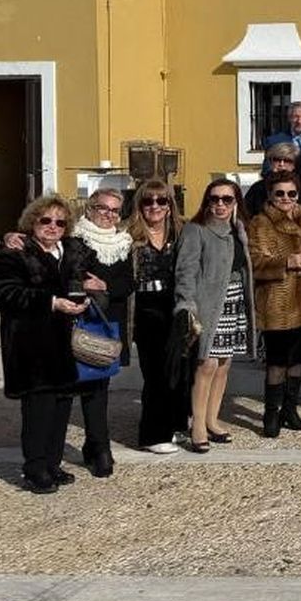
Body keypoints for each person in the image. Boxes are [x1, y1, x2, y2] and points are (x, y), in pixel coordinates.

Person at [0, 194, 108, 492]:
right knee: (38, 410)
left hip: (65, 344)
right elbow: (3, 294)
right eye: (46, 220)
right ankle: (34, 469)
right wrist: (51, 302)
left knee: (61, 408)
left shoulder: (72, 251)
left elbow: (95, 273)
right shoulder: (15, 253)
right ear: (32, 222)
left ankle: (52, 464)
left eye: (60, 222)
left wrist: (92, 288)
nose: (53, 226)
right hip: (31, 346)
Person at [175, 179, 255, 453]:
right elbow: (185, 271)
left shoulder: (239, 229)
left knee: (224, 363)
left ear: (236, 202)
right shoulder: (195, 229)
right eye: (215, 198)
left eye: (227, 199)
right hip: (207, 304)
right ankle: (197, 424)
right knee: (205, 364)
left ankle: (212, 418)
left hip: (234, 300)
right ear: (207, 201)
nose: (220, 204)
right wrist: (187, 305)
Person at [247, 174, 301, 438]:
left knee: (297, 360)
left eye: (291, 193)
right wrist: (285, 262)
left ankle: (290, 410)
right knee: (277, 361)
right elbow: (254, 261)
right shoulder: (261, 222)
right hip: (278, 303)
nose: (286, 199)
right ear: (270, 194)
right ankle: (271, 413)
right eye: (279, 193)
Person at [69, 187, 134, 468]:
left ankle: (96, 446)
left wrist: (105, 285)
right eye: (103, 208)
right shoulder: (75, 239)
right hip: (80, 318)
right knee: (83, 386)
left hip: (109, 322)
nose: (108, 214)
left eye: (114, 210)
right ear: (90, 209)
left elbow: (128, 283)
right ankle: (97, 447)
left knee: (99, 385)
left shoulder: (123, 242)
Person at [124, 179, 184, 453]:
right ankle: (152, 435)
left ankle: (173, 425)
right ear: (140, 205)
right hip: (145, 308)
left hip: (174, 305)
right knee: (156, 372)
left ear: (170, 206)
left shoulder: (180, 233)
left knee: (177, 370)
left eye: (162, 200)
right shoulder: (128, 235)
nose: (155, 206)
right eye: (148, 201)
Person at [244, 142, 299, 216]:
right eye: (277, 160)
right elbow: (246, 213)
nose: (281, 164)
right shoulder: (257, 188)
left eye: (287, 161)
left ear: (294, 164)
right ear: (270, 162)